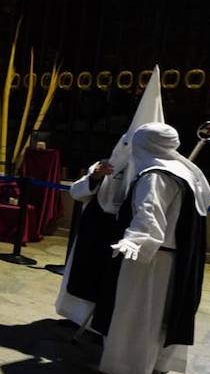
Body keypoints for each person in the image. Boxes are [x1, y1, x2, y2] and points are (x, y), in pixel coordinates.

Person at [93, 122, 210, 374]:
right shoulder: (186, 172)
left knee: (136, 313)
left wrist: (134, 242)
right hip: (169, 259)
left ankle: (127, 367)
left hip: (148, 258)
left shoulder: (155, 175)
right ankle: (153, 365)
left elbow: (150, 215)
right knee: (158, 315)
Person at [55, 67, 163, 327]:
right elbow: (77, 191)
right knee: (84, 274)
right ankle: (76, 316)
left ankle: (101, 325)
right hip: (97, 227)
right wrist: (95, 178)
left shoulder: (155, 176)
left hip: (124, 233)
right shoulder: (107, 164)